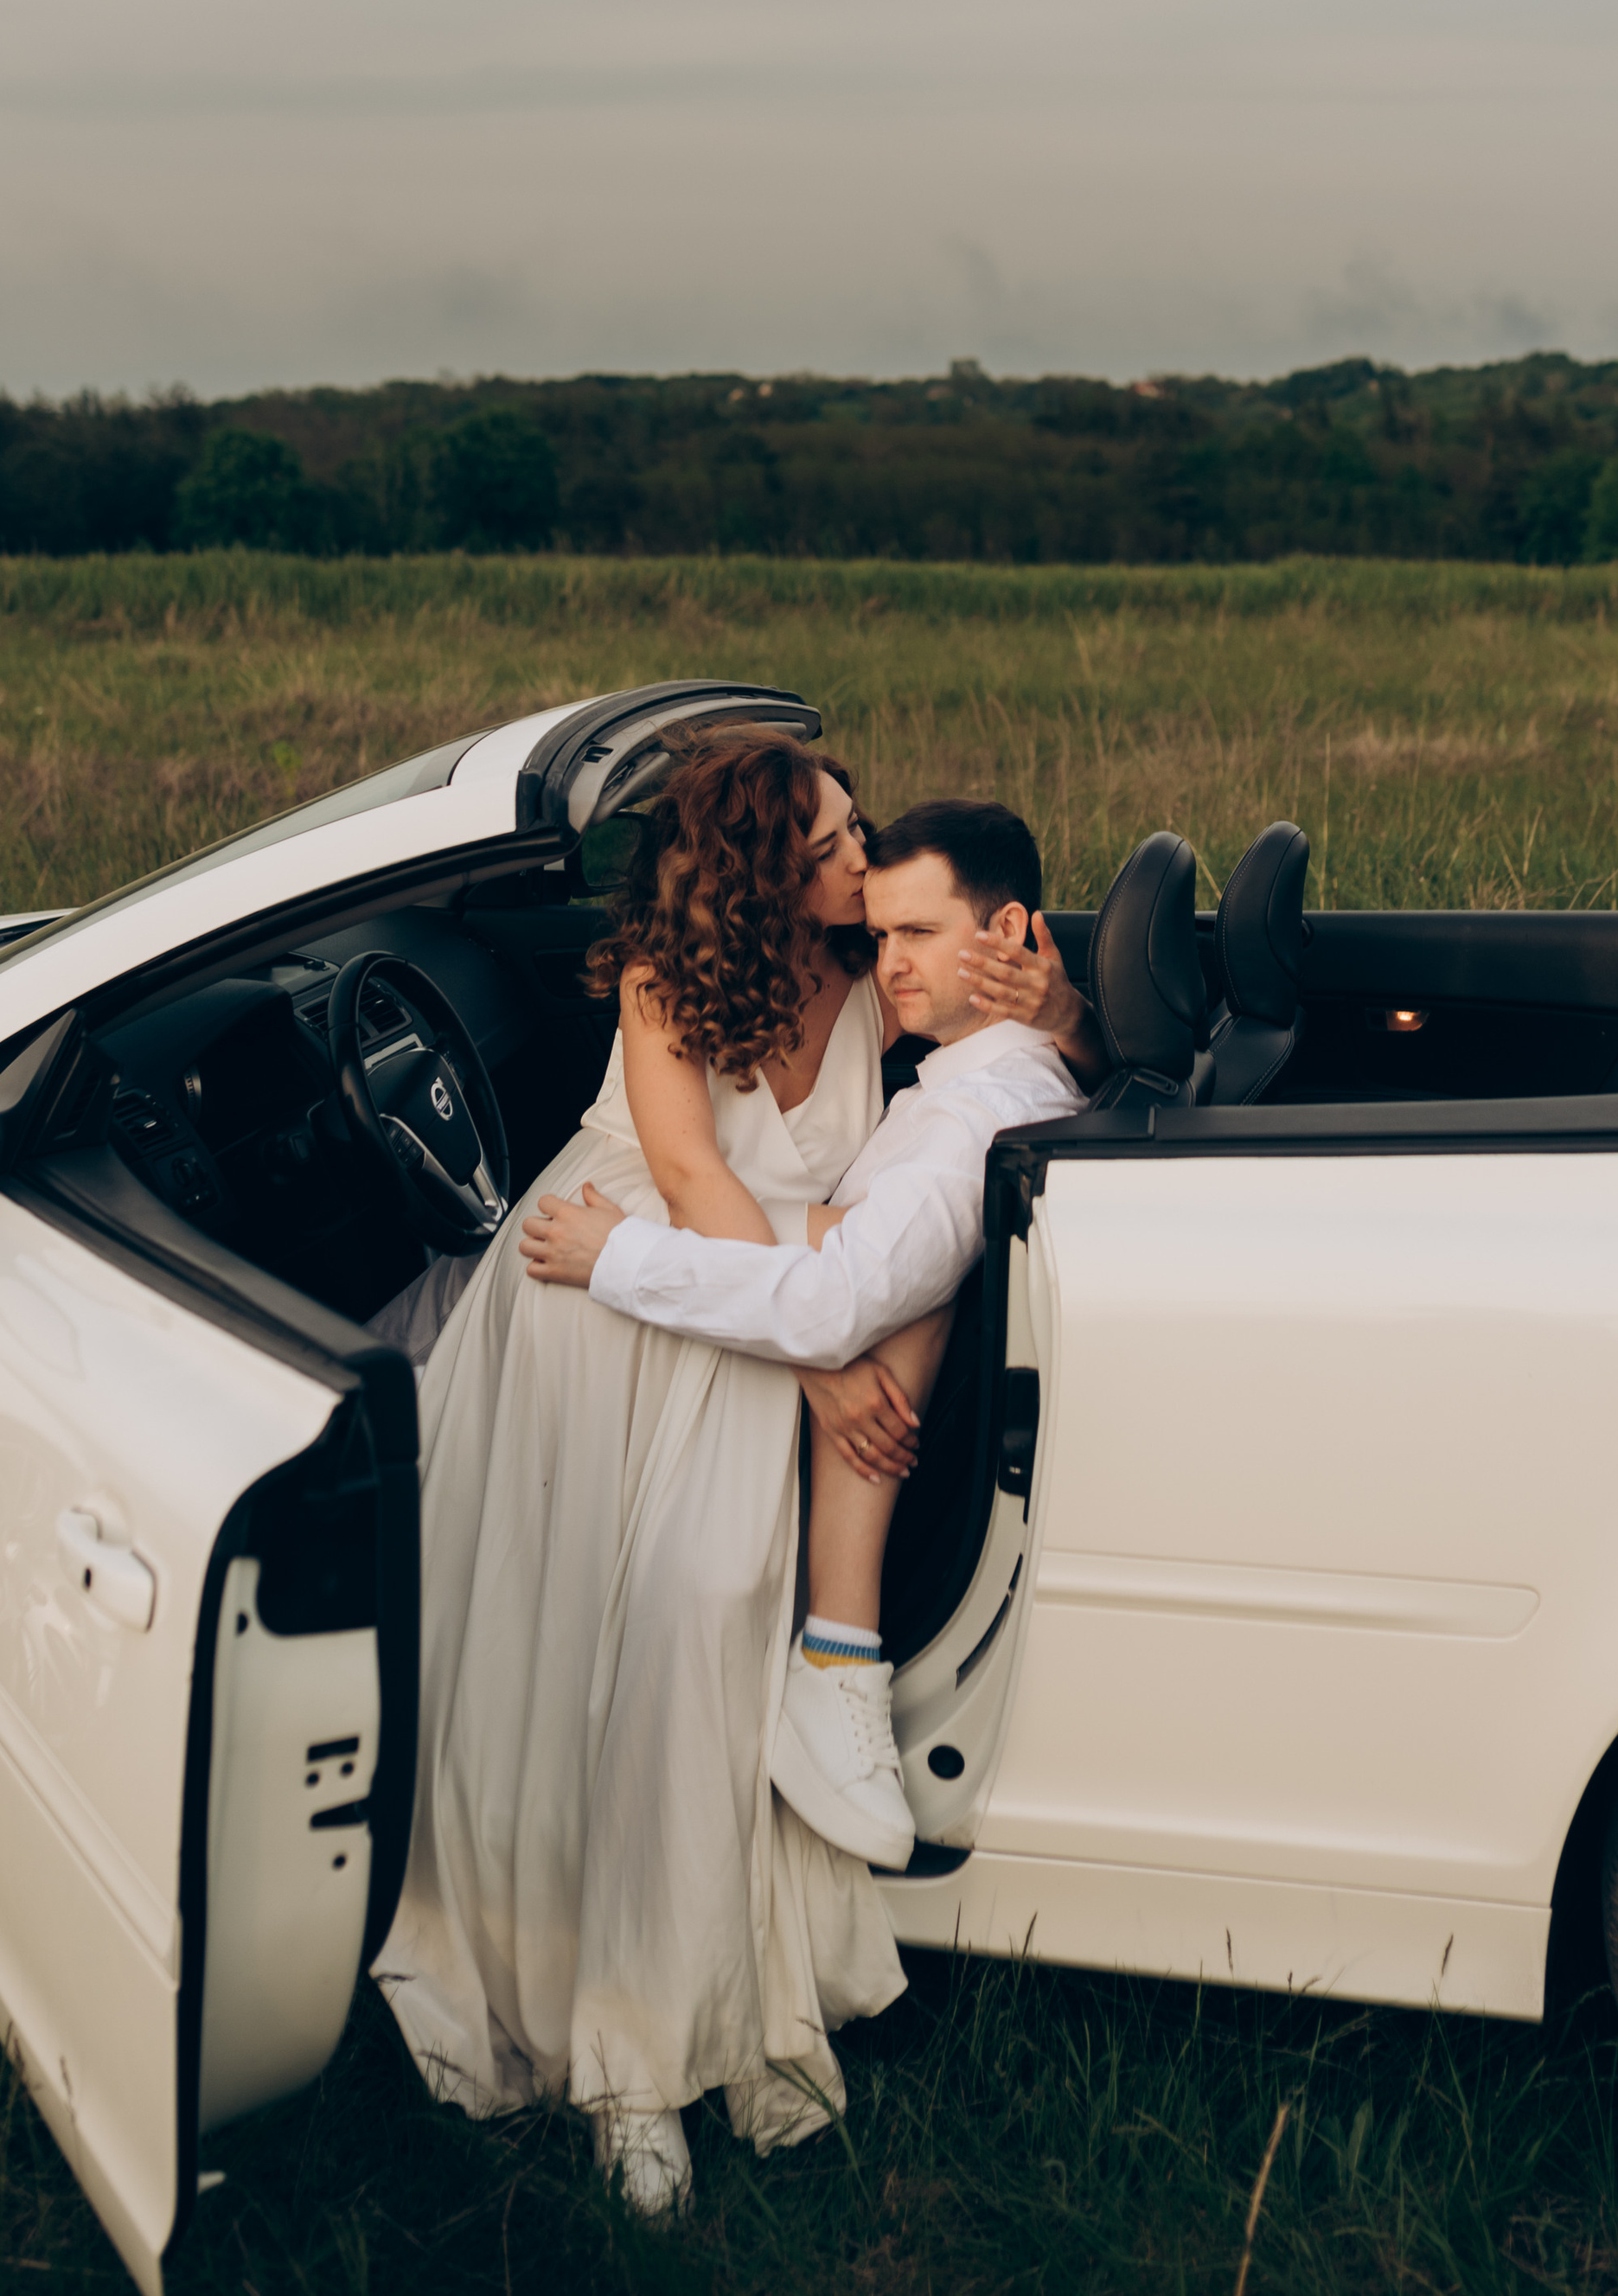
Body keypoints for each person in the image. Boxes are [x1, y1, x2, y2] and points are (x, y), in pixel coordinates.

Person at [372, 732, 1090, 2217]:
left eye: (859, 831)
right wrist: (821, 1361)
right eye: (829, 847)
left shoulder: (878, 970)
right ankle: (610, 2047)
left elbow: (1016, 1051)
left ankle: (681, 2012)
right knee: (595, 1649)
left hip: (752, 1302)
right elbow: (695, 1175)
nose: (859, 860)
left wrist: (1063, 1002)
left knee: (709, 1630)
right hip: (612, 1299)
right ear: (761, 873)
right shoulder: (665, 975)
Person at [520, 797, 1088, 1871]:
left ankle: (832, 1661)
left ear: (1008, 932)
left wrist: (622, 1258)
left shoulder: (954, 1101)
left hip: (673, 1267)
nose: (888, 955)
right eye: (878, 926)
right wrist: (1070, 1020)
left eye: (915, 932)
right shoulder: (940, 1041)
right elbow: (695, 1177)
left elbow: (832, 1303)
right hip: (668, 1245)